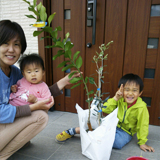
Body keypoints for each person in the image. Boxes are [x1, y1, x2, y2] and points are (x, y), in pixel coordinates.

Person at [0, 20, 80, 160]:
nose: (11, 49)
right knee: (40, 116)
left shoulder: (16, 72)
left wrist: (64, 82)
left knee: (38, 111)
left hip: (4, 122)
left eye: (16, 44)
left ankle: (14, 142)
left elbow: (36, 91)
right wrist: (34, 107)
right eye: (5, 43)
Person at [55, 73, 155, 152]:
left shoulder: (141, 108)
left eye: (134, 90)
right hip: (111, 124)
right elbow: (104, 109)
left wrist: (142, 142)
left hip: (126, 132)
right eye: (126, 89)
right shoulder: (119, 100)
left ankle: (89, 135)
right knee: (97, 126)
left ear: (140, 93)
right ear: (121, 90)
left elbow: (143, 125)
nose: (130, 93)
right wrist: (115, 98)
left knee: (118, 143)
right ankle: (77, 130)